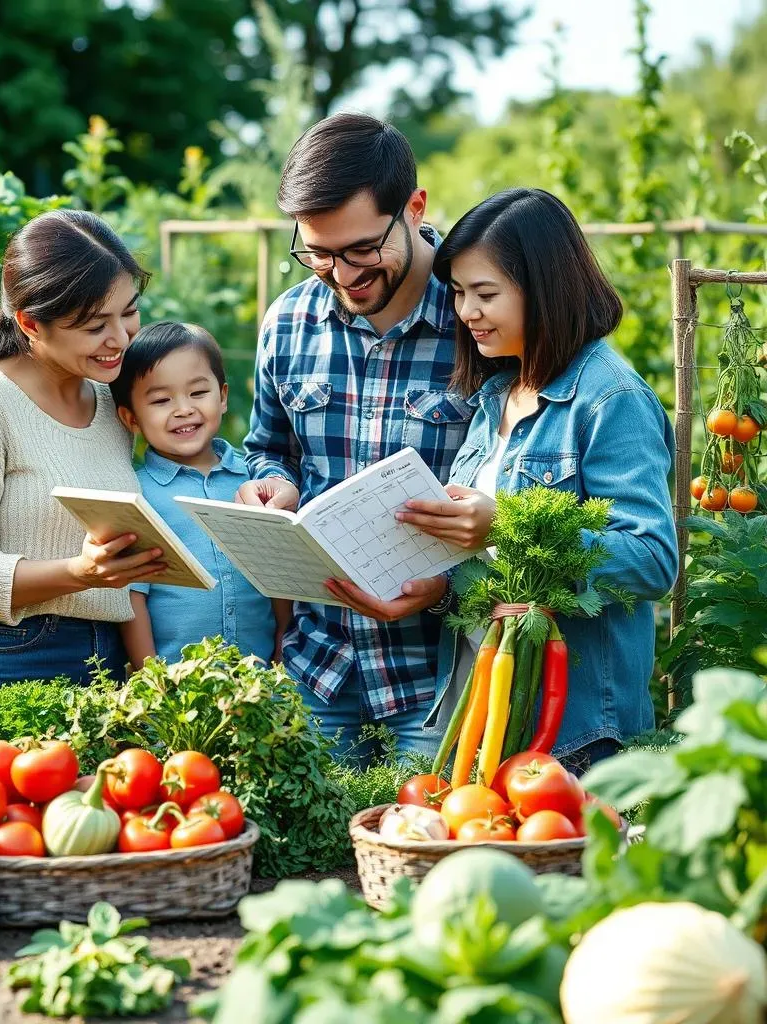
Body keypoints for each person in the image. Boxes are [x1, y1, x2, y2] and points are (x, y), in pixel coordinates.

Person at [345, 187, 679, 773]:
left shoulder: (610, 399)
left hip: (577, 729)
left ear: (545, 288)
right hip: (488, 712)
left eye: (485, 294)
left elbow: (651, 560)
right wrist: (443, 591)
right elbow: (501, 572)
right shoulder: (498, 392)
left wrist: (506, 525)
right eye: (458, 294)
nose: (465, 312)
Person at [237, 112, 473, 767]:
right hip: (319, 667)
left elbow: (515, 492)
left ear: (414, 207)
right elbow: (269, 445)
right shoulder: (288, 322)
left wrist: (453, 584)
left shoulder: (477, 320)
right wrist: (273, 484)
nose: (340, 273)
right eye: (317, 252)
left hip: (438, 674)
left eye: (361, 248)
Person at [0, 210, 166, 705]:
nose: (120, 337)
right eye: (96, 325)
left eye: (129, 311)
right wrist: (78, 572)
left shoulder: (107, 402)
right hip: (3, 657)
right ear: (31, 323)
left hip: (104, 661)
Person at [110, 321, 292, 667]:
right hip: (176, 683)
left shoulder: (254, 481)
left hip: (261, 679)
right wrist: (152, 677)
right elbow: (133, 598)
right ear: (130, 418)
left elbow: (277, 573)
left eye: (198, 393)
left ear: (222, 396)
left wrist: (284, 644)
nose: (184, 409)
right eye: (162, 400)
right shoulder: (138, 496)